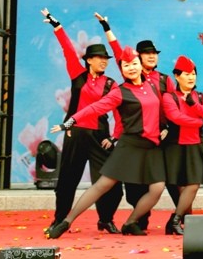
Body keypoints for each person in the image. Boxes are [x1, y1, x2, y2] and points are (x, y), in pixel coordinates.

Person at [47, 46, 166, 239]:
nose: (131, 68)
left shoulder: (152, 87)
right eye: (126, 65)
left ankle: (130, 222)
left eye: (134, 64)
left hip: (151, 147)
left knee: (157, 188)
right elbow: (95, 107)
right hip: (130, 146)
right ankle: (65, 221)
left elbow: (161, 111)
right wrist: (70, 121)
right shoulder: (120, 91)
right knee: (102, 185)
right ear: (122, 69)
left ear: (141, 65)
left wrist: (165, 127)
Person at [40, 9, 123, 235]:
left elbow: (118, 113)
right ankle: (59, 220)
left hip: (100, 136)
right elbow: (68, 49)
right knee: (67, 181)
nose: (104, 62)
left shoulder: (111, 84)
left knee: (111, 183)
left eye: (106, 59)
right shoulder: (78, 74)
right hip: (75, 133)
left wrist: (114, 137)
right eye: (99, 58)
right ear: (88, 60)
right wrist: (57, 26)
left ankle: (106, 219)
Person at [95, 12, 178, 231]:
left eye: (154, 53)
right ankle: (138, 219)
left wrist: (169, 128)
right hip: (136, 138)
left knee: (171, 181)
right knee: (134, 184)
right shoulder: (131, 76)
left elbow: (174, 106)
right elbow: (117, 50)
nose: (151, 56)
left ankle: (178, 220)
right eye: (146, 53)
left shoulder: (165, 79)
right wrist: (106, 27)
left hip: (162, 137)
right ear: (137, 58)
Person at [161, 55, 203, 235]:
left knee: (193, 184)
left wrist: (194, 105)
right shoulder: (169, 96)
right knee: (180, 186)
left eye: (193, 74)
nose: (191, 77)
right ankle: (186, 220)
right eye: (186, 74)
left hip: (196, 144)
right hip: (175, 145)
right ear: (177, 76)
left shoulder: (200, 96)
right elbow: (175, 117)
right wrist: (199, 121)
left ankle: (175, 219)